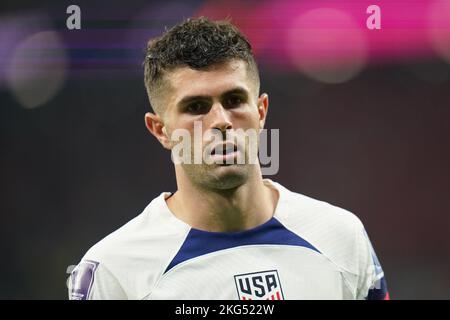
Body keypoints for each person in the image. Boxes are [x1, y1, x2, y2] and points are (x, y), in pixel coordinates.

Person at [68, 17, 389, 300]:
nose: (221, 120)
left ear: (260, 111)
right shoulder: (115, 270)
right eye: (196, 107)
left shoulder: (341, 237)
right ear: (160, 130)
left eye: (234, 100)